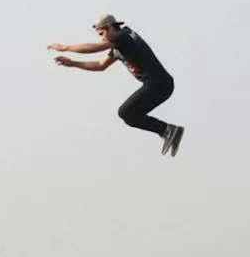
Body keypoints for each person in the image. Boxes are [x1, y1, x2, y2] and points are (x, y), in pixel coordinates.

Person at [48, 14, 184, 156]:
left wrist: (64, 47)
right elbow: (100, 65)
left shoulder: (123, 36)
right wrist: (73, 63)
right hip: (160, 85)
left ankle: (168, 130)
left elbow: (93, 48)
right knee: (129, 115)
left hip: (159, 83)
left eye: (102, 33)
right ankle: (167, 131)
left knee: (126, 112)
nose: (102, 39)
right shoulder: (119, 46)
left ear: (111, 27)